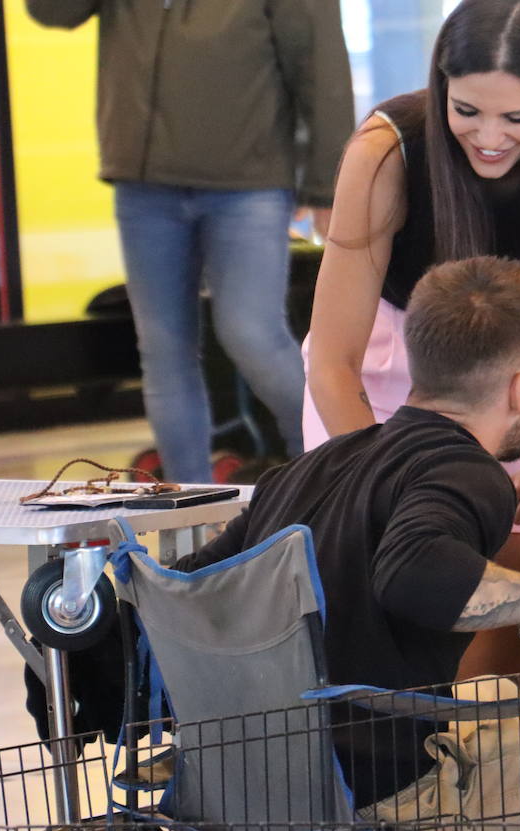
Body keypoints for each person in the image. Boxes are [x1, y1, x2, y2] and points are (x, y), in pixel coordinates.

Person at [175, 256, 520, 818]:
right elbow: (416, 575)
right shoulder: (469, 474)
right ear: (519, 387)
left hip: (243, 797)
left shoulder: (303, 471)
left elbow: (190, 585)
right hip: (380, 801)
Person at [302, 0, 520, 681]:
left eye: (516, 118)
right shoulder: (385, 152)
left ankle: (490, 772)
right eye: (466, 111)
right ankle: (404, 769)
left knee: (507, 636)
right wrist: (382, 481)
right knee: (396, 620)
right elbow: (334, 361)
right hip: (389, 385)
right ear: (441, 86)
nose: (488, 137)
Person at [26, 0, 354, 485]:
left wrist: (329, 184)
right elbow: (53, 12)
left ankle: (333, 470)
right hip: (144, 184)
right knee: (163, 348)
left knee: (251, 334)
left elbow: (319, 62)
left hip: (250, 181)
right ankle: (186, 510)